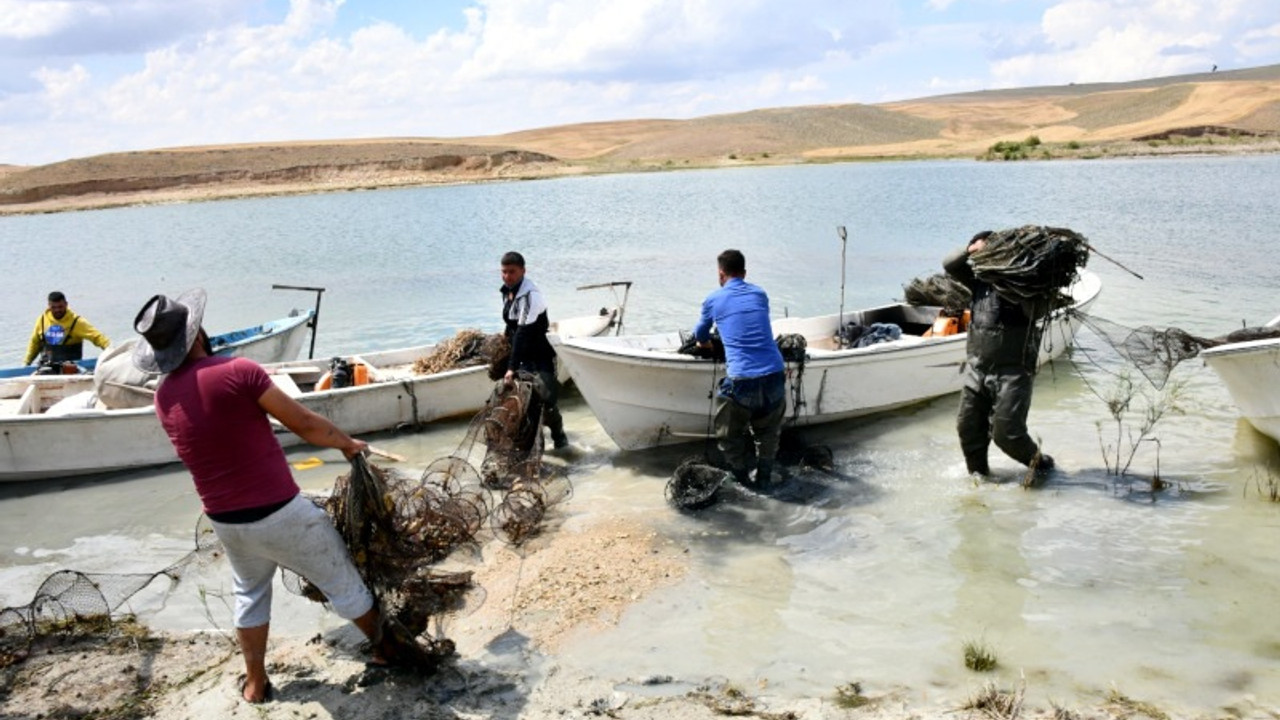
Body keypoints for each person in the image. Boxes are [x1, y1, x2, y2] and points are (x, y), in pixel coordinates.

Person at [132, 289, 394, 704]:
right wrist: (347, 444)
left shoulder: (163, 398)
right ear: (197, 331)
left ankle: (255, 683)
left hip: (226, 522)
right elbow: (305, 423)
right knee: (341, 578)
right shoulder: (240, 371)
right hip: (280, 512)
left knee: (250, 593)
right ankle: (387, 649)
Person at [943, 231, 1054, 476]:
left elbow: (1038, 310)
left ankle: (1043, 467)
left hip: (1012, 373)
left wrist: (1017, 282)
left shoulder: (1027, 287)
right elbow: (950, 264)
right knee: (968, 429)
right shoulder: (978, 282)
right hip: (977, 369)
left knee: (1008, 435)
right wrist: (970, 249)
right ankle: (979, 479)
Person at [694, 249, 786, 487]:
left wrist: (704, 343)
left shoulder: (713, 299)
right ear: (744, 273)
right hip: (776, 373)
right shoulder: (760, 293)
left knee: (729, 436)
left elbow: (700, 334)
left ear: (720, 274)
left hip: (742, 380)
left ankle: (742, 480)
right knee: (768, 434)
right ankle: (764, 478)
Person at [499, 251, 568, 449]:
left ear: (523, 271)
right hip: (522, 355)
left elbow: (522, 333)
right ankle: (533, 444)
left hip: (540, 356)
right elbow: (511, 327)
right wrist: (505, 347)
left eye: (512, 272)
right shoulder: (508, 291)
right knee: (524, 404)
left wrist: (511, 367)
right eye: (503, 272)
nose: (507, 276)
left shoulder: (530, 296)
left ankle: (560, 437)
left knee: (546, 402)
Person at [24, 291, 111, 370]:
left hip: (71, 369)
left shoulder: (76, 322)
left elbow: (97, 337)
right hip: (46, 368)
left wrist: (111, 351)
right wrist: (27, 363)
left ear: (66, 304)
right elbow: (34, 343)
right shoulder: (42, 320)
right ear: (49, 306)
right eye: (53, 307)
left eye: (60, 307)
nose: (57, 310)